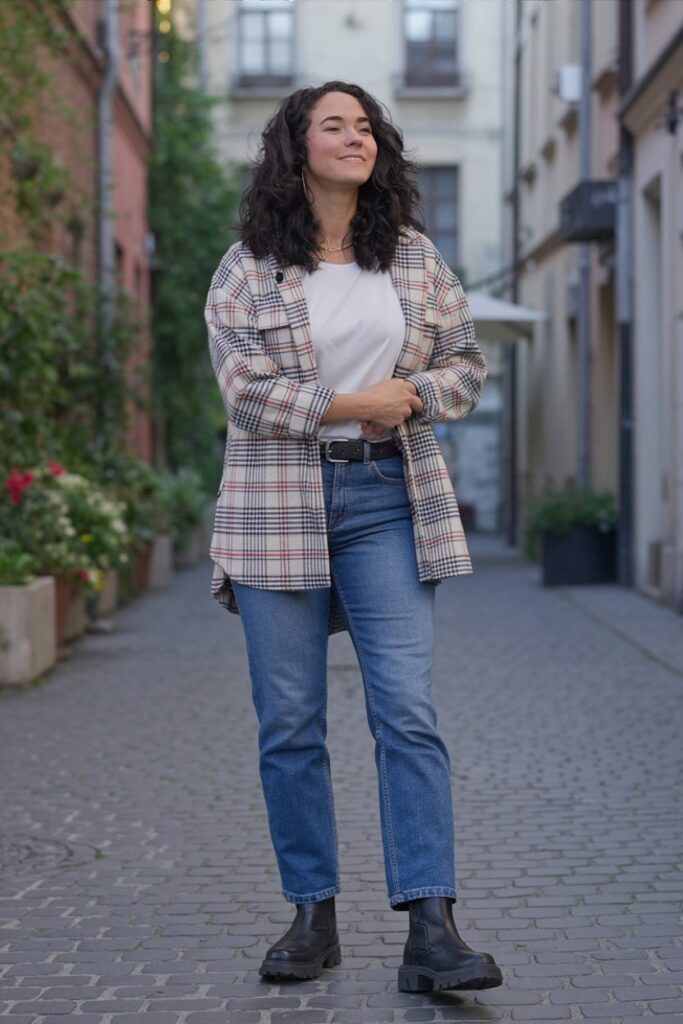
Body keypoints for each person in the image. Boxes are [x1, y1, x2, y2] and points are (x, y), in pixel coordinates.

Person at [205, 80, 502, 994]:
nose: (355, 137)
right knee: (289, 723)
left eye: (365, 125)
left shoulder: (410, 259)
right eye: (333, 124)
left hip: (383, 496)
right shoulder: (248, 265)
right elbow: (242, 388)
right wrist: (347, 403)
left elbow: (465, 364)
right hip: (273, 504)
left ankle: (432, 929)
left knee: (405, 712)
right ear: (295, 148)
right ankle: (311, 916)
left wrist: (407, 397)